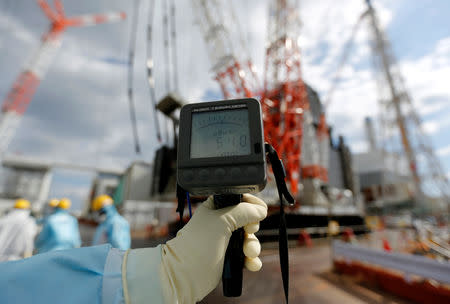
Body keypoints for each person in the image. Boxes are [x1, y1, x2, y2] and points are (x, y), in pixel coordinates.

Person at [0, 194, 267, 303]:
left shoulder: (38, 222)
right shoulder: (72, 221)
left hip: (101, 270)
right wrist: (161, 275)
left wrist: (156, 275)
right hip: (103, 270)